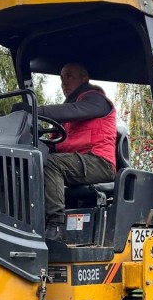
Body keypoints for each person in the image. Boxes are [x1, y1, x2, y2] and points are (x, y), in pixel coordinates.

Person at [31, 63, 117, 241]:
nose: (64, 82)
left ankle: (55, 225)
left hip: (100, 162)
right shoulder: (66, 117)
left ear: (84, 78)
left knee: (51, 164)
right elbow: (53, 144)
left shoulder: (96, 100)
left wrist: (34, 111)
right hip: (77, 163)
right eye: (62, 78)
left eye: (70, 76)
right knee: (33, 161)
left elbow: (72, 111)